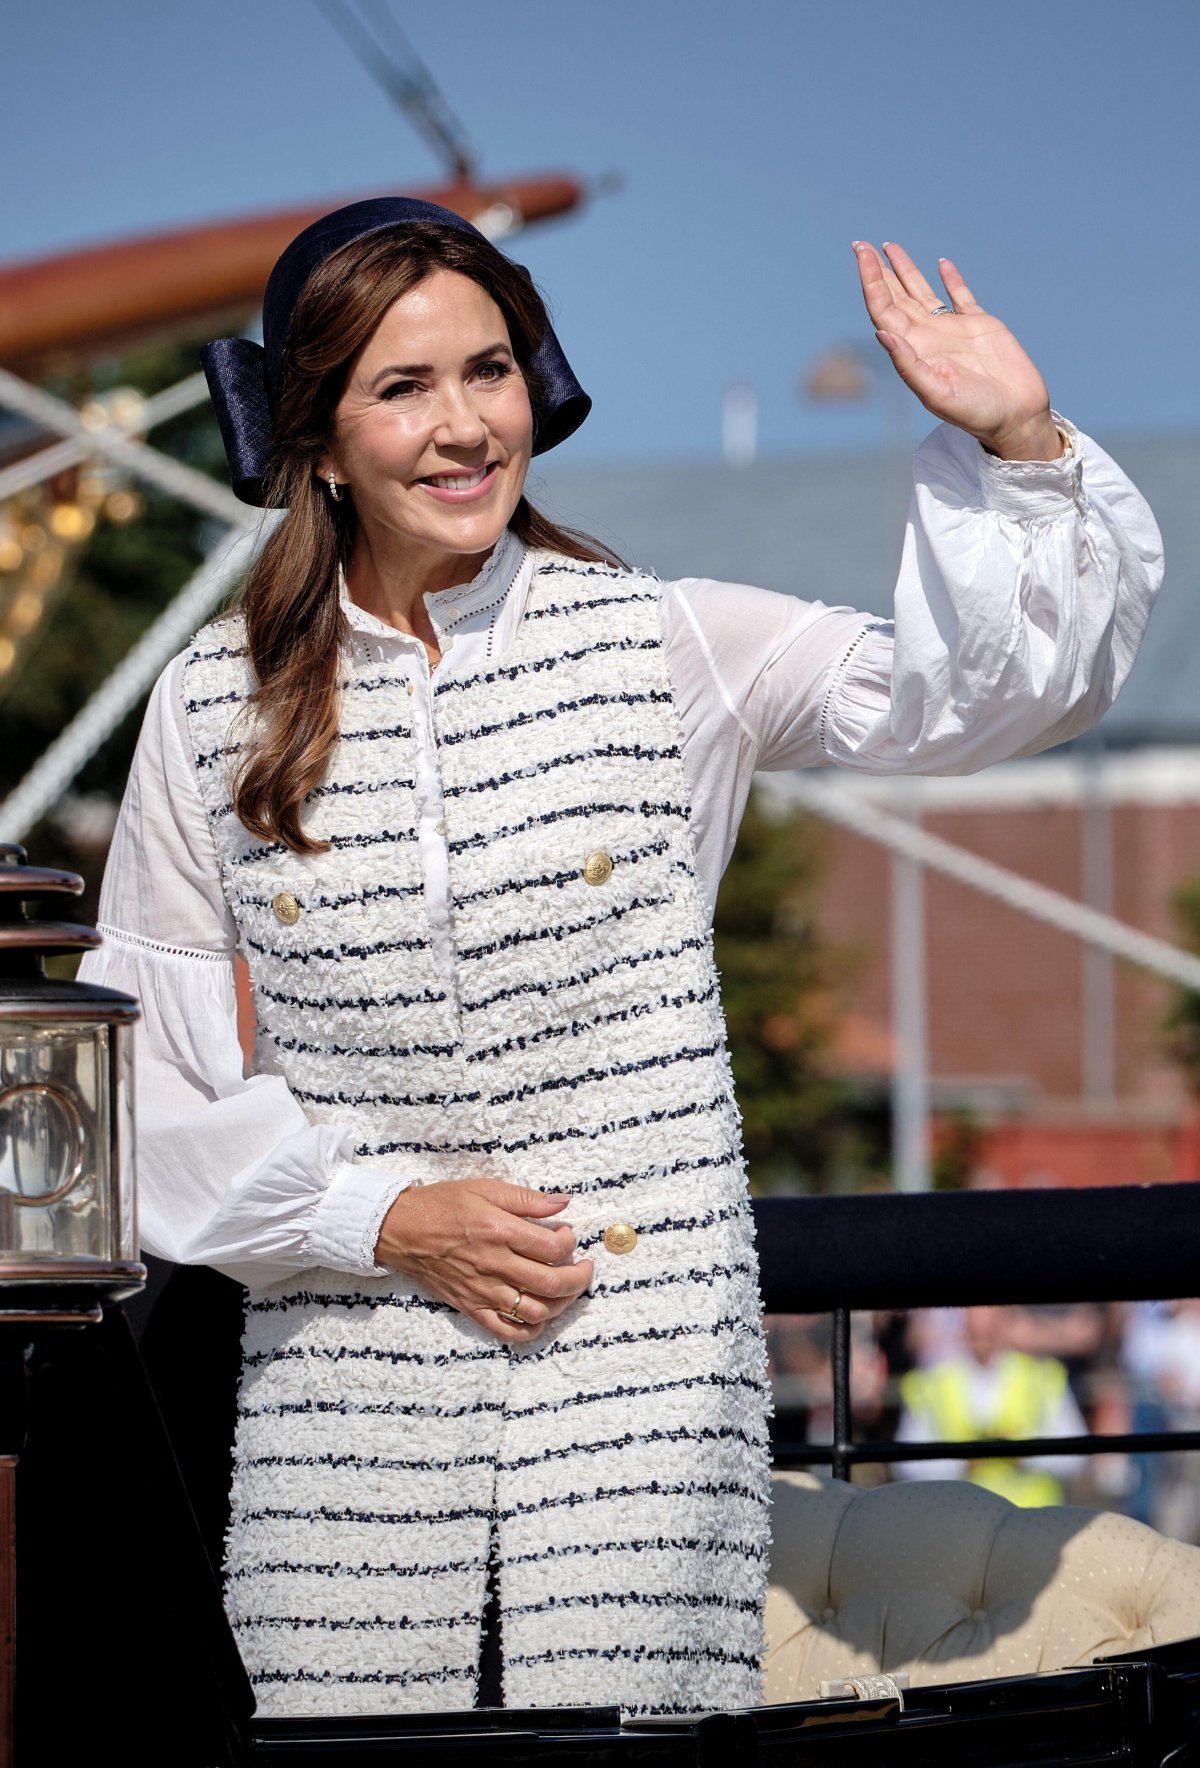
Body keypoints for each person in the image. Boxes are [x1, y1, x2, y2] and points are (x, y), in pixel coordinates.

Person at [78, 196, 1162, 1719]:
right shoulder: (210, 709)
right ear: (314, 438)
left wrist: (1023, 444)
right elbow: (141, 1078)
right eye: (403, 388)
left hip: (640, 1381)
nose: (465, 427)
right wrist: (380, 1214)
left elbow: (982, 702)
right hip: (342, 1402)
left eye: (490, 370)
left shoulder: (669, 642)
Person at [893, 1305, 1087, 1505]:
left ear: (1005, 1325)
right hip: (958, 1519)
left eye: (990, 1329)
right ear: (963, 1327)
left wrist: (1024, 1452)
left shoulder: (1043, 1377)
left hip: (1030, 1520)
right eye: (976, 1331)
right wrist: (963, 1461)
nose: (983, 1337)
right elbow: (907, 1462)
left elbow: (1075, 1456)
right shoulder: (931, 1383)